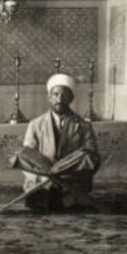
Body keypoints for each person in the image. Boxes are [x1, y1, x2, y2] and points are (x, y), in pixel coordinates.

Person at [9, 73, 101, 212]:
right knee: (21, 155)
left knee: (86, 156)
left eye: (64, 95)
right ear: (49, 97)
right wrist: (40, 178)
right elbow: (28, 156)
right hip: (42, 182)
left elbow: (91, 159)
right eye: (55, 94)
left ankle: (66, 197)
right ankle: (46, 194)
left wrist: (67, 174)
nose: (59, 99)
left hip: (71, 182)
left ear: (71, 98)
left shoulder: (83, 126)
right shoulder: (35, 124)